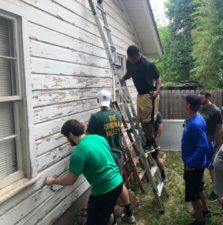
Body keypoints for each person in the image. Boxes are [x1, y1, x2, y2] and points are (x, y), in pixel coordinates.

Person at [45, 120, 123, 225]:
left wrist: (53, 180)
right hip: (118, 183)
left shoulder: (78, 153)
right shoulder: (99, 138)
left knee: (94, 221)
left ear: (71, 135)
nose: (67, 140)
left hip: (103, 191)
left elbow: (70, 180)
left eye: (66, 137)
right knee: (107, 212)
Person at [86, 89, 136, 224]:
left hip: (104, 156)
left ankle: (110, 217)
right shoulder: (117, 114)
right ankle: (129, 213)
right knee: (118, 183)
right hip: (117, 153)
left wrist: (85, 127)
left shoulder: (96, 117)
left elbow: (88, 138)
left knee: (107, 189)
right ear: (110, 100)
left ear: (98, 100)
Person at [120, 45, 161, 151]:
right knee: (142, 120)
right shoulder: (128, 61)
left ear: (138, 55)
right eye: (130, 58)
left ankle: (150, 144)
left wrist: (157, 91)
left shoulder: (148, 64)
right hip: (140, 95)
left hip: (150, 95)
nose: (132, 61)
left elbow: (158, 79)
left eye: (134, 58)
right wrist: (123, 78)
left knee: (148, 121)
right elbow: (130, 73)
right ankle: (151, 142)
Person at [181, 95, 210, 225]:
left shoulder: (196, 124)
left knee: (193, 194)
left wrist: (190, 163)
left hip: (194, 165)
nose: (183, 103)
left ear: (189, 105)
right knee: (198, 188)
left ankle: (199, 220)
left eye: (185, 102)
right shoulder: (195, 119)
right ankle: (204, 210)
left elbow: (203, 146)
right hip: (194, 163)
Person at [199, 91, 223, 201]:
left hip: (210, 140)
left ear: (208, 97)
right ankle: (201, 182)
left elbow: (220, 127)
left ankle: (216, 190)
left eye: (202, 97)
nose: (200, 99)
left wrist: (219, 142)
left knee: (211, 166)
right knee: (200, 162)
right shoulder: (200, 108)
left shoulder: (215, 110)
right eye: (199, 97)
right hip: (200, 139)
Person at [152, 111, 167, 181]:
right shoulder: (144, 112)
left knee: (156, 157)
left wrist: (157, 138)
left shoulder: (157, 113)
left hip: (153, 140)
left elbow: (160, 126)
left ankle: (163, 175)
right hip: (145, 140)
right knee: (152, 158)